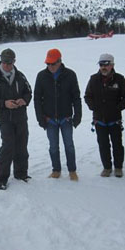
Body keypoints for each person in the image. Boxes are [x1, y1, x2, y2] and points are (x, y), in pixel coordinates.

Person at [0, 48, 32, 190]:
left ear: (14, 61)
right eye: (5, 62)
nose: (7, 65)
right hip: (4, 118)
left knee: (22, 145)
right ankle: (0, 179)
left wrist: (24, 100)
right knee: (8, 146)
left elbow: (28, 91)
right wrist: (3, 103)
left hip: (21, 116)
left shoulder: (20, 76)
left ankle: (21, 173)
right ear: (1, 61)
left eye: (10, 62)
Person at [34, 49, 82, 181]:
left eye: (53, 64)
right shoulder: (41, 76)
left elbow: (76, 97)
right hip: (49, 119)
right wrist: (40, 118)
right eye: (48, 64)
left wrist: (77, 116)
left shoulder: (70, 75)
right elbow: (37, 99)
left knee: (69, 145)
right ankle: (56, 170)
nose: (50, 67)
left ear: (60, 61)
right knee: (53, 146)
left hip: (66, 118)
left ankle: (72, 170)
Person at [84, 53, 125, 178]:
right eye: (101, 64)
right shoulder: (93, 79)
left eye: (106, 64)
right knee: (103, 144)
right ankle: (107, 167)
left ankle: (118, 167)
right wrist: (93, 107)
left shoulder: (119, 79)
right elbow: (87, 96)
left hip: (114, 119)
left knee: (117, 144)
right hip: (99, 119)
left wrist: (119, 107)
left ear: (112, 65)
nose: (103, 67)